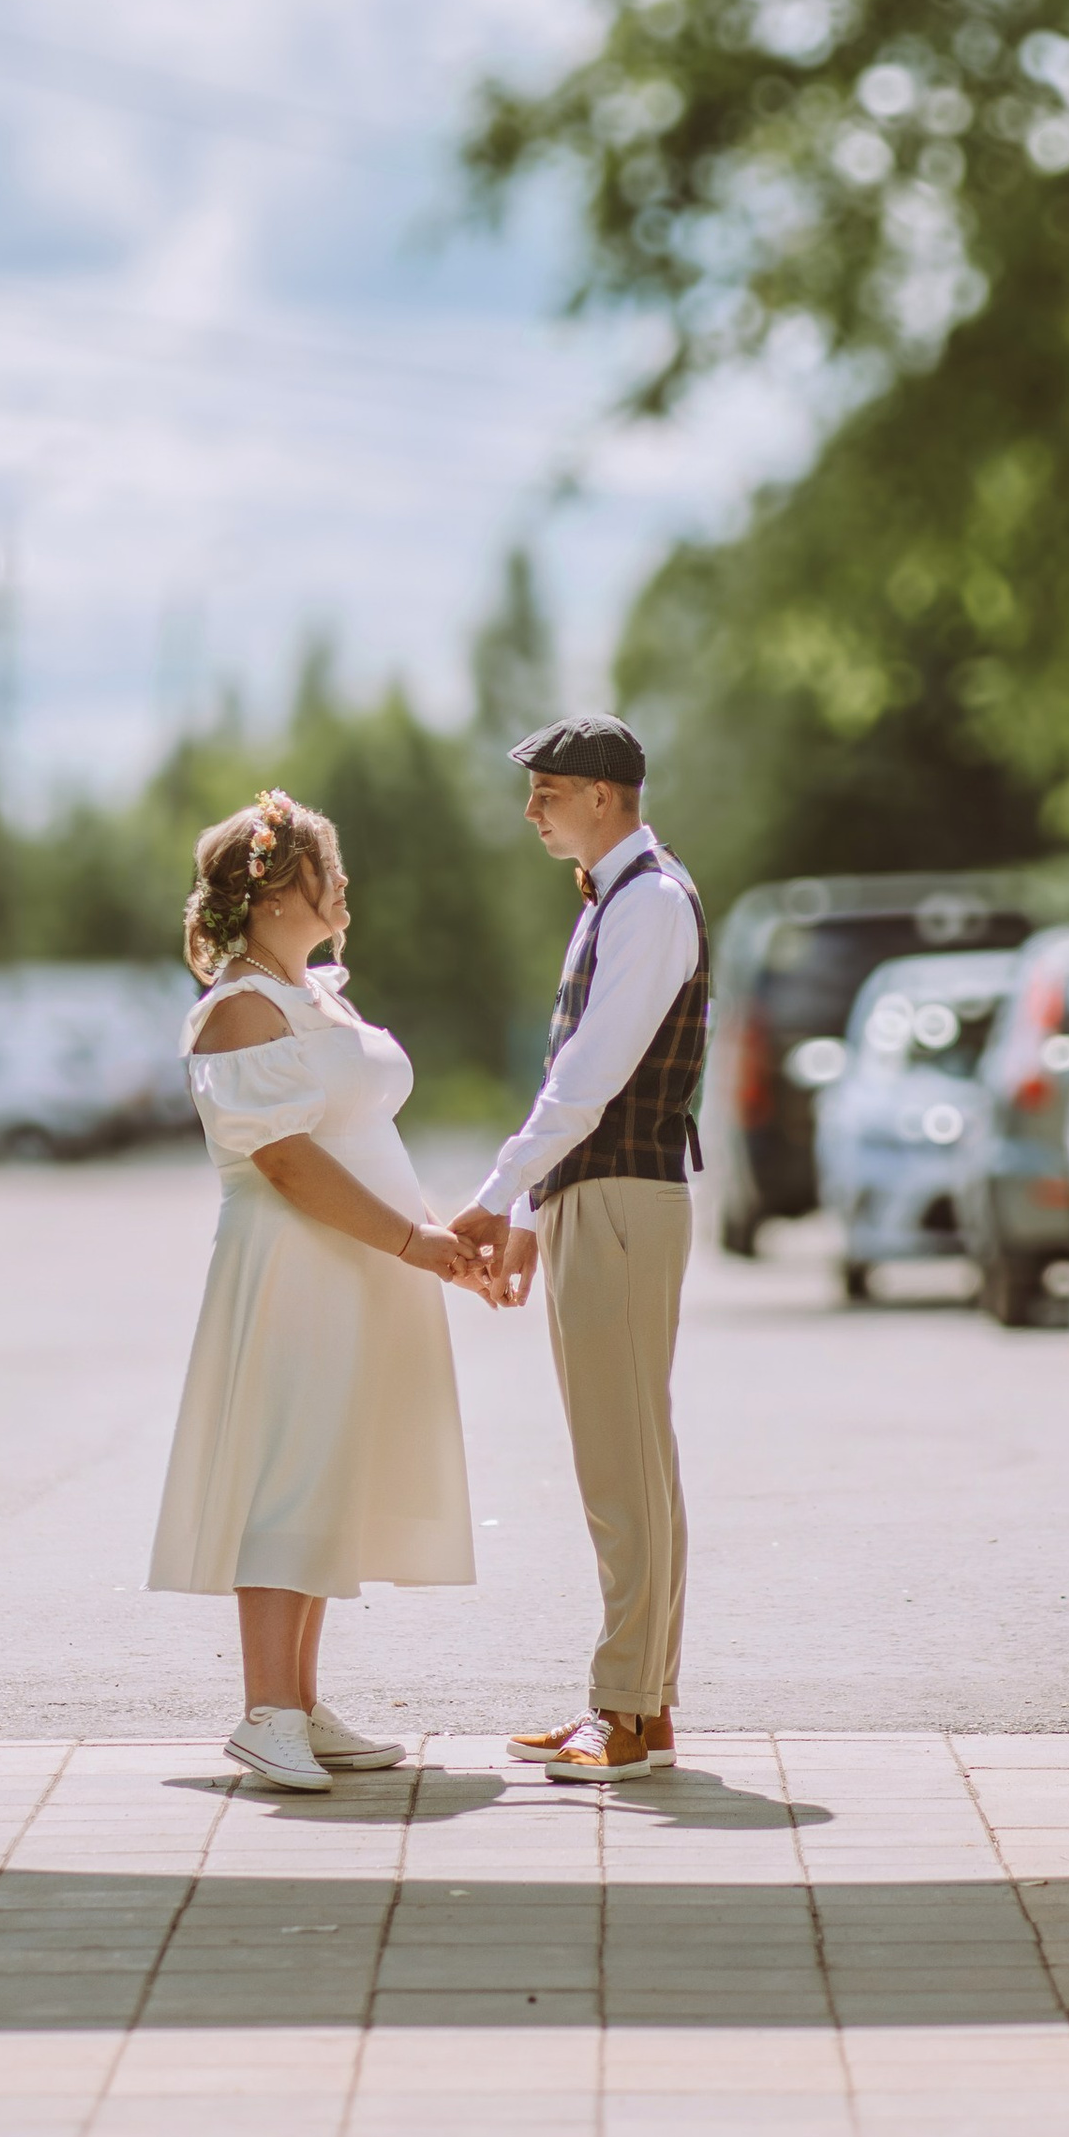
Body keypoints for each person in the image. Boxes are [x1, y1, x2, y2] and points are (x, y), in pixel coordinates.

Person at [150, 787, 506, 1792]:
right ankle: (265, 1709)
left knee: (332, 1463)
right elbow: (287, 1160)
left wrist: (437, 1235)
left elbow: (360, 1134)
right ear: (272, 890)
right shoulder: (238, 1008)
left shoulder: (314, 994)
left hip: (359, 1263)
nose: (343, 882)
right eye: (326, 867)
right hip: (298, 1264)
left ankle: (298, 1701)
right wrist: (409, 1239)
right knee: (291, 1463)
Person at [452, 717, 709, 1786]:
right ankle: (635, 1701)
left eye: (548, 790)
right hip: (603, 1195)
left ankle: (628, 1709)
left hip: (618, 1198)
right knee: (629, 1456)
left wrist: (493, 1195)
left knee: (620, 1461)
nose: (532, 810)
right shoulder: (624, 899)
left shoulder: (645, 902)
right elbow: (582, 1078)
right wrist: (524, 1211)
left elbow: (587, 1078)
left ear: (605, 793)